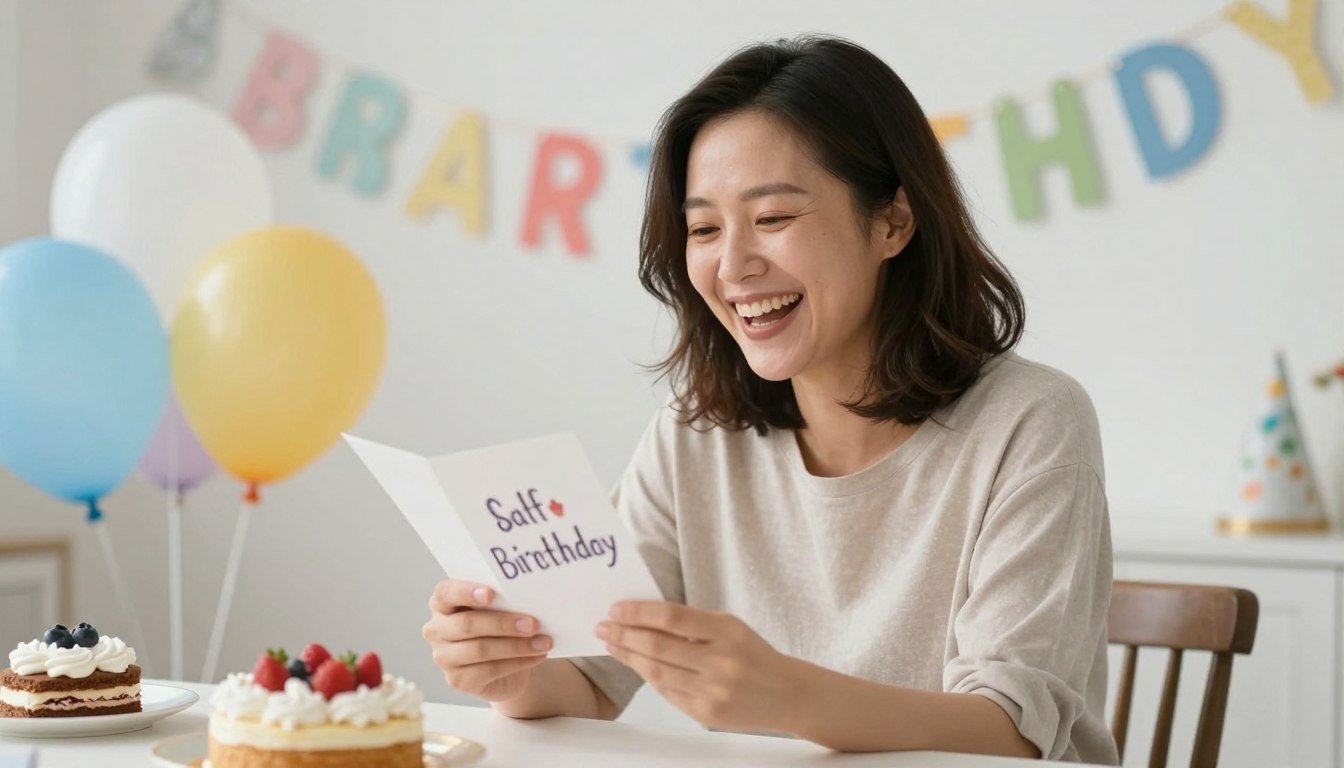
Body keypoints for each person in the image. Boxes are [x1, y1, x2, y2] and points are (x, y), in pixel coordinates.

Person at [422, 35, 1118, 764]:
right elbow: (591, 682)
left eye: (774, 218)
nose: (733, 265)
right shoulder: (697, 435)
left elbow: (1009, 732)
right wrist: (508, 668)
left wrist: (786, 696)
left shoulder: (1031, 422)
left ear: (893, 222)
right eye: (703, 229)